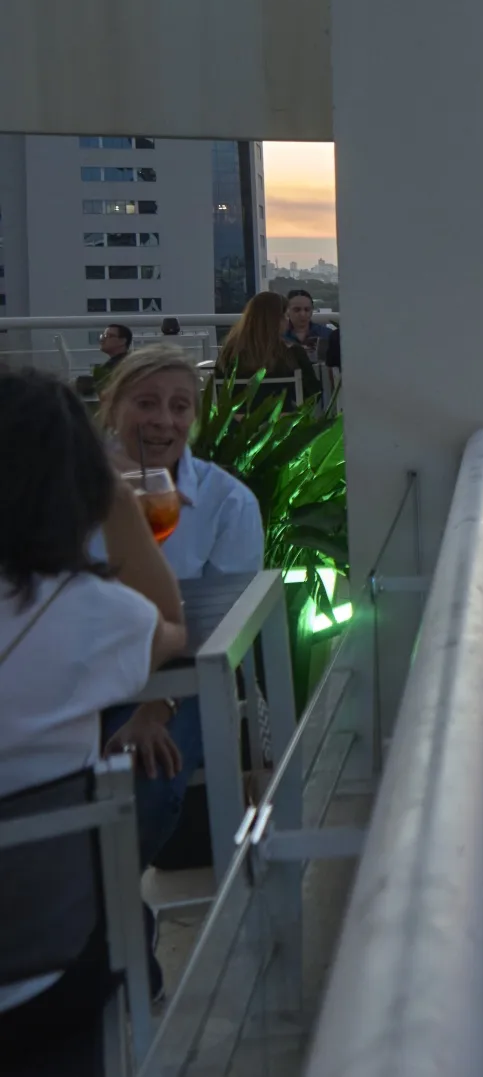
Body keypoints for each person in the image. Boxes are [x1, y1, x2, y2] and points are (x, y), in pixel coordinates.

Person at [0, 369, 187, 1073]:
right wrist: (120, 507)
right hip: (49, 967)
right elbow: (169, 623)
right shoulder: (88, 615)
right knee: (120, 915)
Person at [93, 345, 265, 868]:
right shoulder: (66, 491)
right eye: (146, 403)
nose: (163, 421)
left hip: (180, 679)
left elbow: (214, 631)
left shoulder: (225, 502)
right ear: (112, 405)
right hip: (76, 680)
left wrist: (153, 709)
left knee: (142, 784)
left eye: (180, 406)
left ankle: (106, 923)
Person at [218, 291, 318, 407]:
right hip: (282, 422)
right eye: (285, 316)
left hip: (237, 422)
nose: (287, 320)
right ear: (276, 320)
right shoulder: (292, 352)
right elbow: (313, 394)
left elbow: (219, 391)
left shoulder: (229, 352)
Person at [280, 289, 334, 359]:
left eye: (307, 309)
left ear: (312, 310)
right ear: (287, 311)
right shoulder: (279, 337)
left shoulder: (327, 335)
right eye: (297, 310)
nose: (302, 314)